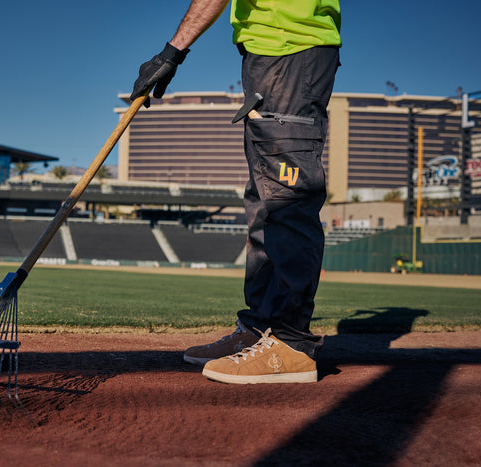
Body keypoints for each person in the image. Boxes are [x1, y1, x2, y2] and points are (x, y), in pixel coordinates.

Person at [130, 0, 341, 384]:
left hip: (291, 49)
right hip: (267, 55)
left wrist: (172, 51)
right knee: (264, 201)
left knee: (286, 197)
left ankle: (291, 343)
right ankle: (260, 328)